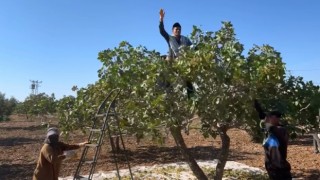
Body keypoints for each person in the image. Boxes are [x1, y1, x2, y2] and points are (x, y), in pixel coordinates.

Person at [158, 9, 194, 98]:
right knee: (166, 79)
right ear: (173, 30)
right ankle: (168, 97)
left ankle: (192, 100)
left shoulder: (185, 39)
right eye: (176, 29)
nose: (178, 30)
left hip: (183, 63)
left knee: (188, 81)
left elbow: (193, 48)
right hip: (172, 62)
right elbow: (162, 31)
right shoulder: (169, 38)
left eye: (179, 29)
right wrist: (161, 19)